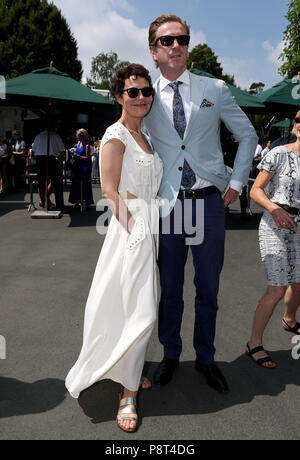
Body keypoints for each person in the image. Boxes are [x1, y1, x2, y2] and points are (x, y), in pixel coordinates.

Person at [143, 14, 258, 393]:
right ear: (154, 51)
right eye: (166, 41)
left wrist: (238, 182)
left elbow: (247, 135)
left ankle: (206, 358)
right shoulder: (143, 96)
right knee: (170, 289)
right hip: (170, 206)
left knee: (208, 288)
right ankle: (171, 354)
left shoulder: (216, 89)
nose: (175, 45)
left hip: (208, 203)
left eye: (182, 39)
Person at [65, 64, 163, 433]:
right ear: (119, 96)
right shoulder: (115, 135)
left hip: (148, 226)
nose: (141, 98)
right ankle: (128, 394)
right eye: (132, 91)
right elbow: (108, 191)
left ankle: (129, 371)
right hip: (130, 229)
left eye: (145, 91)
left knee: (131, 307)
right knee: (143, 312)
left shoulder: (146, 135)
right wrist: (136, 230)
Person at [247, 112, 300, 368]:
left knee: (299, 283)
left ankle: (289, 320)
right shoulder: (279, 154)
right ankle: (254, 342)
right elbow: (255, 190)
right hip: (274, 222)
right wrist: (274, 209)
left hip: (299, 228)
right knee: (278, 288)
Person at [32, 123, 65, 210]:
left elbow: (33, 153)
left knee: (41, 183)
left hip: (40, 161)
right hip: (51, 160)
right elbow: (62, 151)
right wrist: (59, 159)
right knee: (57, 182)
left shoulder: (38, 136)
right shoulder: (56, 136)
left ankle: (44, 203)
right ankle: (59, 205)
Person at [69, 129, 94, 210]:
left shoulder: (87, 146)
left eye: (80, 136)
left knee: (84, 184)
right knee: (76, 183)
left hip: (84, 167)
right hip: (77, 166)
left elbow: (87, 158)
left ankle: (86, 201)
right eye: (78, 136)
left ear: (84, 136)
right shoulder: (78, 143)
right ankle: (76, 201)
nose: (78, 137)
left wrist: (78, 156)